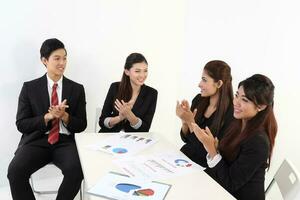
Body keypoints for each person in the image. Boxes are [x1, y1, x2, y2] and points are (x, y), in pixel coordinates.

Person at [7, 38, 87, 200]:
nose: (62, 63)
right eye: (57, 58)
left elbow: (81, 125)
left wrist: (65, 116)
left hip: (65, 142)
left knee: (76, 171)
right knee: (15, 171)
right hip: (37, 140)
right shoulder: (29, 88)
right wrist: (47, 117)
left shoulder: (77, 89)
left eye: (64, 58)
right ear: (44, 60)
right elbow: (21, 124)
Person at [191, 74, 277, 200]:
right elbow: (230, 164)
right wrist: (215, 149)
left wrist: (213, 151)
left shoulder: (258, 142)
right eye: (237, 96)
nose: (236, 102)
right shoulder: (238, 123)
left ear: (261, 106)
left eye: (245, 100)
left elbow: (230, 183)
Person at [176, 60, 234, 167]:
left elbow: (205, 151)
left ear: (219, 83)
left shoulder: (231, 114)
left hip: (204, 167)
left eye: (204, 80)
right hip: (183, 158)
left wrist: (191, 122)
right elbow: (186, 139)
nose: (199, 84)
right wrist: (184, 122)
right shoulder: (199, 100)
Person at [99, 53, 157, 132]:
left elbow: (145, 128)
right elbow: (102, 121)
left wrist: (130, 115)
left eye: (145, 71)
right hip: (110, 137)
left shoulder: (152, 93)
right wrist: (119, 118)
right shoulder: (115, 87)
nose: (142, 75)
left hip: (134, 141)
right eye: (137, 71)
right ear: (127, 72)